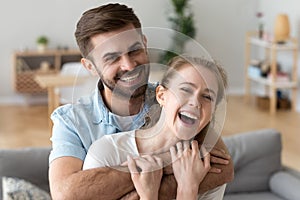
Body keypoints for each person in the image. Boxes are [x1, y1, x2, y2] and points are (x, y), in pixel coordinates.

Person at [48, 3, 234, 200]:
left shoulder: (176, 101)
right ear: (90, 67)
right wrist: (167, 162)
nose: (129, 65)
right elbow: (66, 195)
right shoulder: (71, 121)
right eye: (112, 58)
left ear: (145, 43)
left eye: (134, 50)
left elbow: (222, 169)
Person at [83, 56, 228, 200]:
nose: (195, 102)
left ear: (213, 111)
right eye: (186, 90)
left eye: (207, 97)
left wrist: (188, 188)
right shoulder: (107, 152)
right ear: (161, 95)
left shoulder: (207, 167)